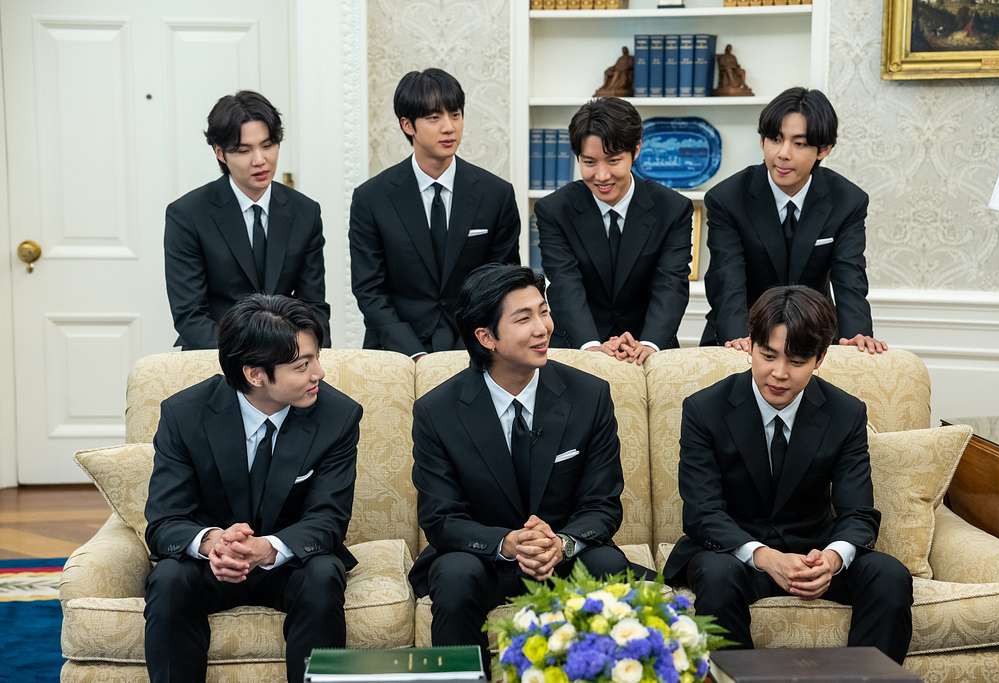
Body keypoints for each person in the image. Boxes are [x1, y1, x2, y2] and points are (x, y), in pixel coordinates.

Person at [409, 263, 643, 674]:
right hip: (484, 556)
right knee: (454, 574)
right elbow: (441, 518)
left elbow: (603, 506)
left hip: (563, 554)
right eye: (524, 318)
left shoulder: (589, 396)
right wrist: (508, 543)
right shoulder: (438, 411)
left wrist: (561, 544)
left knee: (608, 566)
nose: (542, 328)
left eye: (544, 311)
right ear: (486, 337)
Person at [664, 285, 912, 664]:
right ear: (750, 346)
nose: (779, 374)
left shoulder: (846, 413)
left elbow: (858, 513)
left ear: (820, 358)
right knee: (716, 577)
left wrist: (831, 559)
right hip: (736, 554)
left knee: (889, 575)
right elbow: (702, 513)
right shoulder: (705, 409)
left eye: (796, 361)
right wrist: (766, 558)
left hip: (812, 553)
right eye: (768, 356)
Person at [143, 294, 361, 683]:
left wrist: (267, 548)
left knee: (323, 574)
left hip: (289, 562)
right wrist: (213, 543)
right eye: (302, 366)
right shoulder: (184, 414)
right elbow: (165, 521)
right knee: (169, 579)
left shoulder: (338, 416)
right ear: (255, 375)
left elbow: (328, 519)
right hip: (212, 566)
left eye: (316, 358)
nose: (319, 373)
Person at [700, 87, 887, 354]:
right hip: (741, 335)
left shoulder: (847, 201)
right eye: (775, 139)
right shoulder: (727, 198)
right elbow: (726, 277)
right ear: (762, 141)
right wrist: (737, 337)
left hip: (813, 336)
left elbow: (850, 277)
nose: (783, 153)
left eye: (799, 144)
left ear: (823, 150)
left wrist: (857, 334)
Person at [349, 68, 520, 358]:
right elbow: (370, 290)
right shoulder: (371, 198)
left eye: (455, 114)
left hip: (473, 346)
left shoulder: (496, 194)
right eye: (434, 117)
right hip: (396, 349)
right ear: (407, 125)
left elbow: (502, 285)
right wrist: (414, 355)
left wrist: (463, 353)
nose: (449, 127)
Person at [164, 90, 331, 350]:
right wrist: (250, 359)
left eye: (268, 145)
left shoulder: (305, 212)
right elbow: (190, 314)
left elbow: (313, 305)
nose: (260, 160)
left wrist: (299, 355)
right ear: (220, 153)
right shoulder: (187, 215)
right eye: (244, 150)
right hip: (215, 353)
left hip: (286, 355)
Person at [536, 97, 692, 366]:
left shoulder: (673, 208)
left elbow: (671, 283)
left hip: (649, 348)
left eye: (613, 160)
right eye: (589, 162)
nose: (602, 175)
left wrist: (649, 344)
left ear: (636, 150)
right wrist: (591, 346)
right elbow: (565, 283)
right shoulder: (554, 210)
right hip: (578, 346)